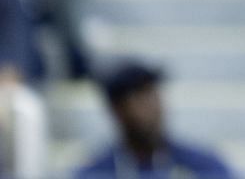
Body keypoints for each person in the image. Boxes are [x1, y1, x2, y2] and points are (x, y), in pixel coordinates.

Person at [74, 60, 234, 178]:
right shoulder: (97, 171)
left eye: (154, 95)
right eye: (140, 98)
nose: (153, 108)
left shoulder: (203, 164)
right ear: (117, 110)